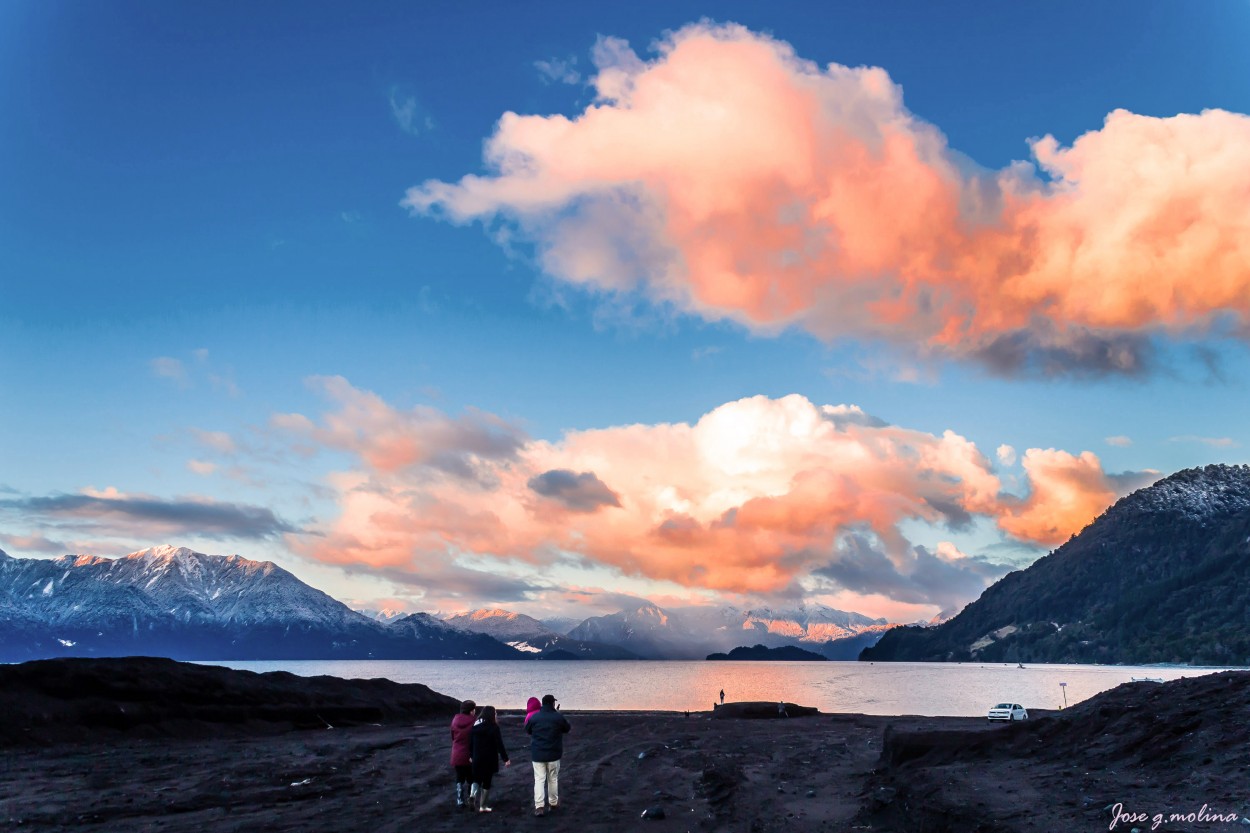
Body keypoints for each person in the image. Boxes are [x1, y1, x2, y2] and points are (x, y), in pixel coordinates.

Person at [526, 693, 571, 817]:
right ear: (552, 703)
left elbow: (528, 729)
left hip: (538, 754)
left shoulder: (535, 717)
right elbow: (567, 728)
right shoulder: (557, 717)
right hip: (553, 753)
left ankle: (539, 806)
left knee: (539, 780)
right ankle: (553, 803)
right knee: (553, 779)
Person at [469, 705, 510, 813]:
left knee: (476, 779)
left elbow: (471, 743)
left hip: (477, 757)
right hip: (489, 759)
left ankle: (472, 794)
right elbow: (499, 744)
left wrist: (470, 755)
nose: (496, 714)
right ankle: (483, 806)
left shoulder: (475, 726)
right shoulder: (494, 727)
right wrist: (505, 759)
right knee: (486, 782)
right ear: (491, 714)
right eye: (495, 713)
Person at [449, 699, 476, 809]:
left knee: (459, 777)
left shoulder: (455, 720)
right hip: (470, 755)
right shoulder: (474, 721)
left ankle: (460, 799)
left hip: (457, 753)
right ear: (471, 711)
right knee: (471, 778)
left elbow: (452, 736)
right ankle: (471, 799)